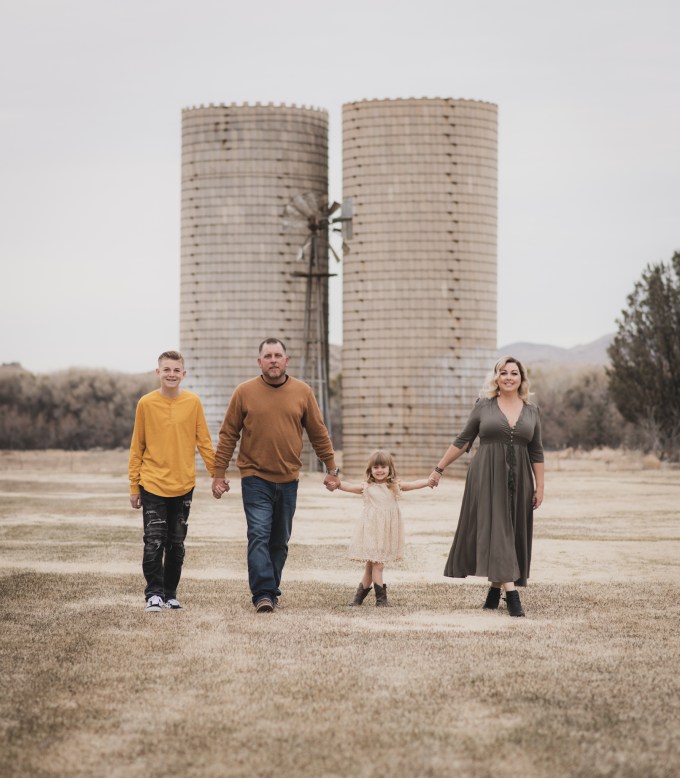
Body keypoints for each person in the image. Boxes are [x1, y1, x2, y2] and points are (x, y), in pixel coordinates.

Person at [211, 338, 340, 613]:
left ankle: (271, 589)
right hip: (255, 477)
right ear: (259, 362)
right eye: (267, 356)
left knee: (279, 540)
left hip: (289, 479)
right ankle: (263, 594)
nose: (272, 360)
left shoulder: (302, 392)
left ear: (286, 361)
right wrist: (218, 473)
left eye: (277, 355)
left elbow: (318, 432)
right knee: (258, 534)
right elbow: (228, 435)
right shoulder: (243, 392)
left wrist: (331, 468)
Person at [428, 356, 544, 617]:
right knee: (499, 530)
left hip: (521, 479)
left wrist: (540, 487)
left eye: (514, 373)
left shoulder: (533, 411)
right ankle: (512, 595)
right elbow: (463, 440)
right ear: (496, 377)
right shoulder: (483, 406)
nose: (509, 377)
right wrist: (439, 469)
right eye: (503, 373)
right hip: (487, 477)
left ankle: (494, 592)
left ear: (522, 379)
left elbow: (536, 451)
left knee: (509, 534)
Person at [129, 350, 216, 613]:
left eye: (176, 370)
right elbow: (137, 446)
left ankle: (170, 594)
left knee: (176, 544)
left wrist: (217, 474)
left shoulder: (193, 403)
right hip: (152, 482)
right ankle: (153, 595)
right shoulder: (146, 403)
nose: (171, 374)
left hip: (183, 484)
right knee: (153, 541)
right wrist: (134, 486)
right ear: (158, 372)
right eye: (166, 370)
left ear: (183, 374)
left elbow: (204, 443)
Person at [328, 449, 431, 607]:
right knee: (378, 564)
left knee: (371, 566)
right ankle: (381, 600)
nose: (380, 470)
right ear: (370, 470)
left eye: (383, 467)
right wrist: (337, 484)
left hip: (386, 531)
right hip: (371, 531)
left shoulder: (394, 486)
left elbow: (412, 485)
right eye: (376, 467)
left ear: (390, 469)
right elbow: (347, 486)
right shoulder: (367, 487)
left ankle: (357, 600)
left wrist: (428, 481)